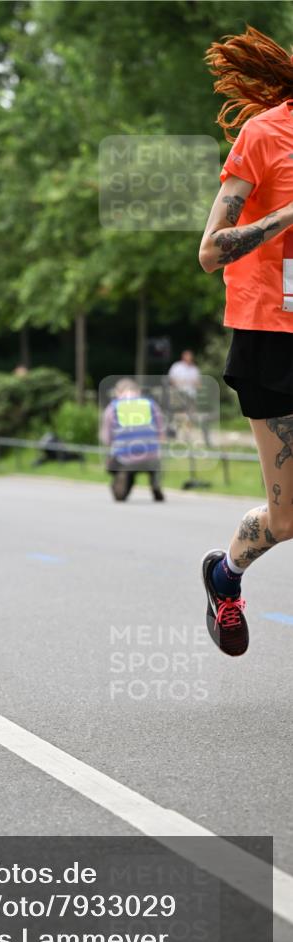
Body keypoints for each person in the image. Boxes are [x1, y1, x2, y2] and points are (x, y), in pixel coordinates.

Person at [198, 26, 293, 656]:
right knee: (287, 518)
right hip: (272, 335)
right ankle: (224, 576)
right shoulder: (265, 134)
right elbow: (209, 253)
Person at [100, 379, 165, 502]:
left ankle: (122, 477)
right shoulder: (150, 404)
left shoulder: (113, 408)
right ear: (138, 391)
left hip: (125, 457)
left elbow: (106, 439)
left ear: (118, 392)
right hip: (151, 456)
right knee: (156, 463)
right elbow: (161, 432)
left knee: (115, 463)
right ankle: (155, 483)